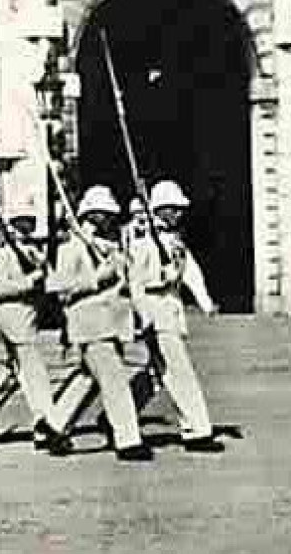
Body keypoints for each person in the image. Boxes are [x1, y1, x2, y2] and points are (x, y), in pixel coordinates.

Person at [48, 186, 152, 462]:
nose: (107, 220)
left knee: (88, 380)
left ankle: (54, 425)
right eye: (102, 215)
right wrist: (97, 277)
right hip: (90, 324)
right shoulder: (71, 248)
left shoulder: (110, 247)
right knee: (114, 381)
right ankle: (128, 440)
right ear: (90, 215)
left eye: (108, 215)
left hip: (112, 323)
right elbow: (60, 288)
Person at [124, 180, 222, 453]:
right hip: (156, 314)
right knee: (180, 372)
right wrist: (159, 282)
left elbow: (191, 270)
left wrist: (205, 302)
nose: (179, 213)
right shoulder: (143, 238)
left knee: (157, 375)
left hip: (171, 312)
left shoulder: (172, 239)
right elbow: (135, 280)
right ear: (161, 209)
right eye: (174, 209)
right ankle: (197, 430)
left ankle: (118, 414)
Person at [0, 192, 69, 453]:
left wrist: (41, 271)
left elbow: (47, 280)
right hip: (12, 317)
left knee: (14, 373)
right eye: (20, 220)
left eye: (29, 220)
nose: (25, 225)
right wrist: (30, 281)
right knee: (35, 371)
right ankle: (49, 423)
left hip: (27, 316)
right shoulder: (2, 252)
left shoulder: (32, 250)